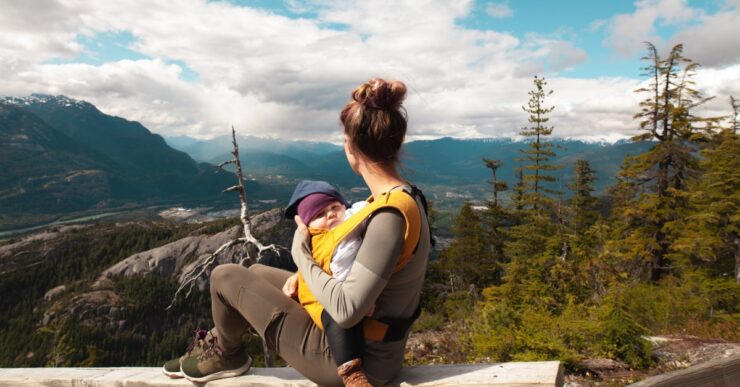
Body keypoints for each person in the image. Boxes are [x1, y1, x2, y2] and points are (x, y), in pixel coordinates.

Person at [161, 78, 431, 386]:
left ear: (350, 146)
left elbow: (345, 311)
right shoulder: (404, 198)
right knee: (258, 273)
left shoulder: (388, 216)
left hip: (354, 361)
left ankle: (228, 353)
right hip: (367, 344)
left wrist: (301, 253)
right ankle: (219, 344)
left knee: (225, 276)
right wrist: (307, 278)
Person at [282, 180, 373, 385]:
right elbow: (320, 260)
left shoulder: (347, 225)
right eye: (319, 214)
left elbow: (364, 209)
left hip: (341, 294)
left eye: (334, 207)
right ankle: (352, 373)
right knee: (337, 318)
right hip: (319, 296)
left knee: (343, 317)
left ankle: (353, 371)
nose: (330, 214)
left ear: (344, 206)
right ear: (308, 224)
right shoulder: (320, 239)